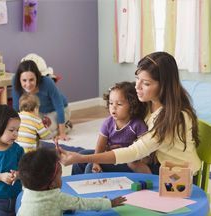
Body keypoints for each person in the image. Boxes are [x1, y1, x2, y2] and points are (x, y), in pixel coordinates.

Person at [60, 52, 201, 176]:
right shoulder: (148, 105)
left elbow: (135, 152)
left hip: (174, 175)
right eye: (137, 79)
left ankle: (90, 203)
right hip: (151, 161)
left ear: (163, 85)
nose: (137, 87)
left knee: (89, 164)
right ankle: (75, 201)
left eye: (145, 83)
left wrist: (81, 158)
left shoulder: (174, 117)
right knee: (84, 159)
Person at [17, 148, 126, 216]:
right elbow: (82, 203)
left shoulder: (27, 190)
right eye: (60, 175)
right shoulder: (57, 197)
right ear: (53, 184)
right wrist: (108, 203)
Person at [72, 81, 151, 175]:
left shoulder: (137, 125)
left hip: (127, 161)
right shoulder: (108, 123)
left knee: (90, 167)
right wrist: (96, 162)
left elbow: (145, 151)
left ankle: (88, 188)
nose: (113, 108)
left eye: (119, 104)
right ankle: (72, 187)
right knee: (80, 156)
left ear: (132, 105)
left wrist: (140, 163)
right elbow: (100, 147)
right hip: (110, 154)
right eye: (111, 103)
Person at [12, 60, 72, 141]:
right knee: (31, 130)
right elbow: (17, 108)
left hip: (58, 110)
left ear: (37, 77)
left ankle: (66, 126)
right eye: (24, 80)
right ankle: (58, 126)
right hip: (38, 112)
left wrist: (62, 133)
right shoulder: (15, 82)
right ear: (19, 79)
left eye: (31, 80)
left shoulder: (47, 82)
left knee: (44, 132)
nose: (28, 84)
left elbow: (59, 106)